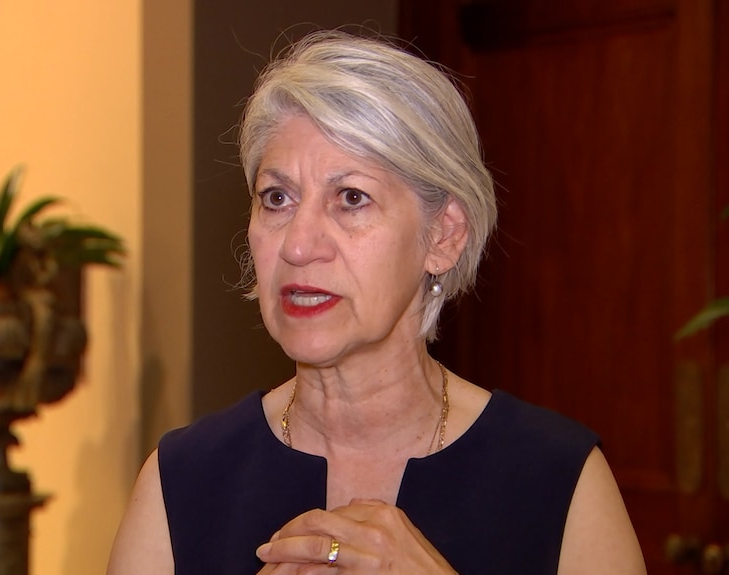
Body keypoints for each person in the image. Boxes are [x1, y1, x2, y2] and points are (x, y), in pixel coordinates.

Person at [106, 30, 646, 574]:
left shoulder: (558, 481)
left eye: (351, 198)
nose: (297, 244)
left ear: (444, 236)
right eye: (277, 198)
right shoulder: (180, 482)